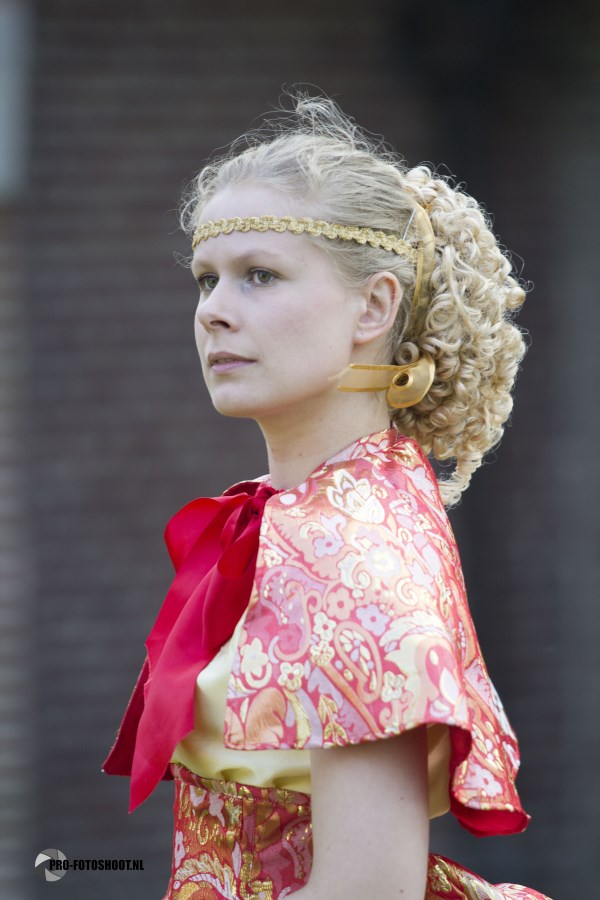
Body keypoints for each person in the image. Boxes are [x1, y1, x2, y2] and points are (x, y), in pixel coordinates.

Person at [102, 93, 552, 900]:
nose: (213, 312)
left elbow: (366, 888)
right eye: (206, 280)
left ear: (373, 308)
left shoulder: (348, 542)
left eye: (260, 276)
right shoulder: (312, 512)